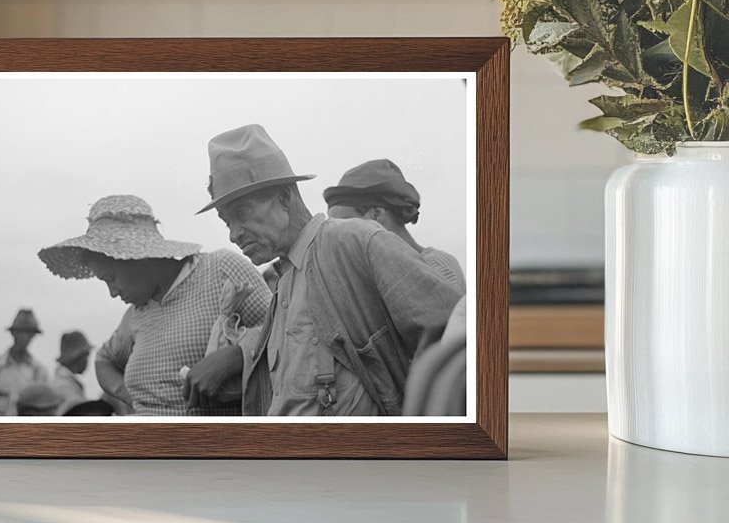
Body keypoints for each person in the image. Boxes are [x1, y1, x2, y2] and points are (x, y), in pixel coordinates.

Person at [185, 124, 463, 417]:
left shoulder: (354, 241)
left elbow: (453, 336)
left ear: (284, 197)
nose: (233, 234)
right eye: (226, 221)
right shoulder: (283, 281)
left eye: (241, 213)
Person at [39, 194, 270, 416]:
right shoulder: (136, 314)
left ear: (138, 257)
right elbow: (104, 360)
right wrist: (133, 400)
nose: (112, 292)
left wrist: (235, 356)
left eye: (110, 277)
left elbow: (285, 330)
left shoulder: (220, 270)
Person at [324, 158, 466, 290]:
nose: (336, 233)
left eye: (344, 222)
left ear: (376, 215)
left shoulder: (438, 268)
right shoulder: (371, 273)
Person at [0, 308, 51, 416]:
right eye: (21, 332)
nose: (24, 337)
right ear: (13, 333)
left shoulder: (40, 372)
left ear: (33, 336)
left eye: (28, 333)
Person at [53, 330, 92, 405]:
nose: (87, 361)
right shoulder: (64, 386)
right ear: (77, 357)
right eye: (86, 356)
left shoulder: (68, 382)